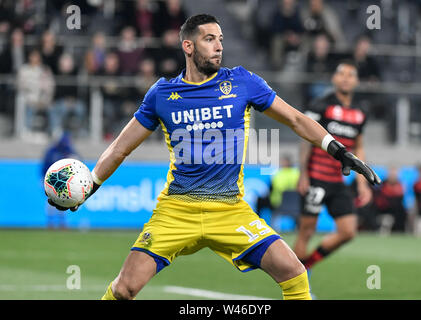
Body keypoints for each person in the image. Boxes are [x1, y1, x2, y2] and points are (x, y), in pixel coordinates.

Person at [46, 14, 379, 300]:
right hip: (176, 210)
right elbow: (120, 147)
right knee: (123, 290)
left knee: (294, 273)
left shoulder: (243, 82)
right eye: (209, 39)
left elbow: (295, 118)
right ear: (188, 46)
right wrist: (92, 184)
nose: (219, 46)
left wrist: (337, 148)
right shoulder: (162, 94)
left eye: (220, 39)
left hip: (230, 210)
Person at [293, 61, 374, 271]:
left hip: (338, 181)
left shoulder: (360, 113)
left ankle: (307, 267)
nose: (346, 78)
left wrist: (363, 183)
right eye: (342, 74)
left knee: (348, 231)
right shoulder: (320, 105)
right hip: (316, 178)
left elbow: (359, 147)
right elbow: (306, 140)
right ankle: (294, 280)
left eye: (351, 75)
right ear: (334, 79)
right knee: (306, 232)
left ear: (356, 81)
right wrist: (303, 174)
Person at [373, 166, 407, 233]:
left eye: (394, 173)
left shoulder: (400, 185)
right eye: (391, 173)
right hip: (384, 210)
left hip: (398, 212)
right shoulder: (382, 185)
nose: (393, 175)